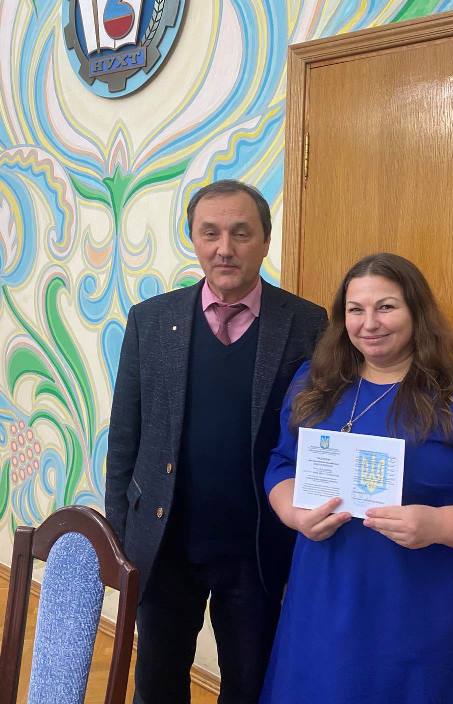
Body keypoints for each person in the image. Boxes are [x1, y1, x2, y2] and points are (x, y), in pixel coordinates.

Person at [260, 252, 453, 704]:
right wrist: (293, 513)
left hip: (419, 608)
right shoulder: (314, 383)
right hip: (322, 599)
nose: (369, 323)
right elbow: (281, 464)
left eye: (386, 307)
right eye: (356, 310)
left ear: (417, 311)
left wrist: (437, 524)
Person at [105, 180, 327, 704]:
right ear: (194, 239)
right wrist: (120, 540)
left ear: (265, 241)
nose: (224, 248)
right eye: (210, 233)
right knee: (157, 684)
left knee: (249, 686)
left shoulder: (306, 323)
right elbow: (125, 437)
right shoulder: (150, 320)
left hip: (256, 547)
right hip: (165, 543)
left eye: (241, 233)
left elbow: (318, 435)